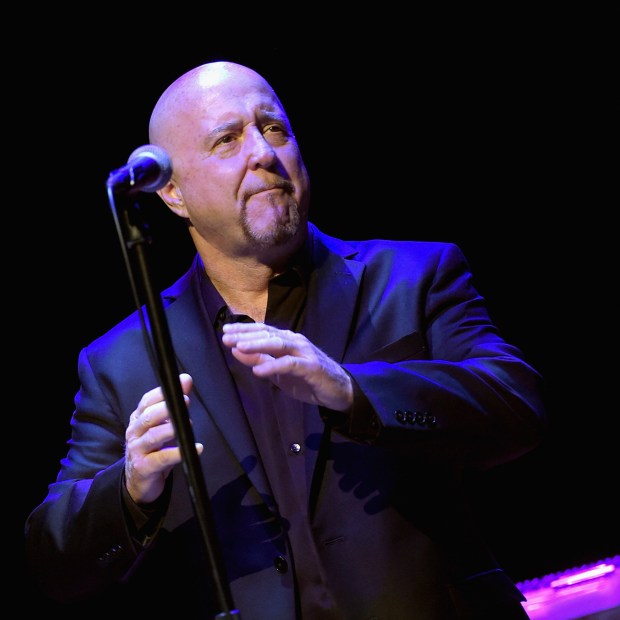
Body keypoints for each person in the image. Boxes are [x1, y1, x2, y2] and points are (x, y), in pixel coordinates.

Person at [24, 60, 546, 619]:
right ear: (173, 193)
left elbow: (518, 406)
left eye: (274, 129)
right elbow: (53, 562)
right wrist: (129, 489)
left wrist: (354, 391)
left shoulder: (414, 275)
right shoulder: (123, 361)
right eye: (227, 140)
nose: (264, 153)